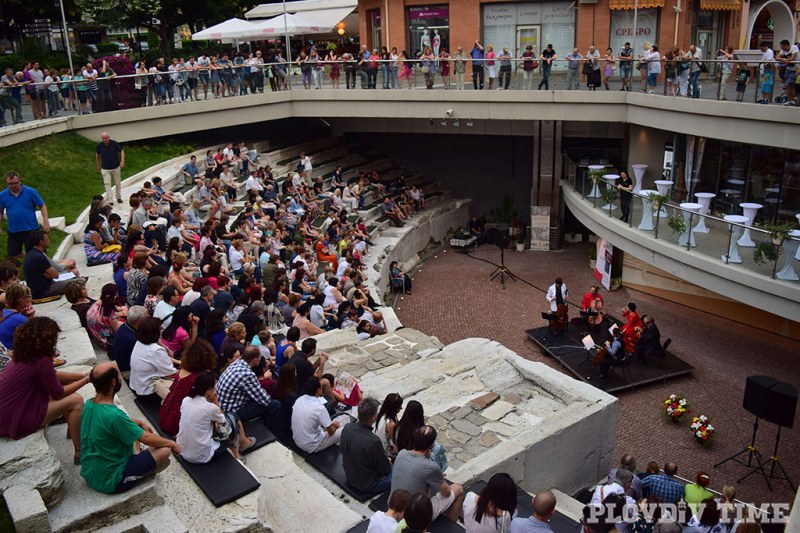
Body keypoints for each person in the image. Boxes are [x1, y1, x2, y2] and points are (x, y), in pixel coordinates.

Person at [80, 362, 180, 494]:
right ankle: (139, 467)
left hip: (91, 472)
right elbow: (146, 438)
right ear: (114, 382)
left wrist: (138, 422)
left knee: (135, 429)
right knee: (164, 450)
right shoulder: (115, 416)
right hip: (111, 479)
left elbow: (108, 423)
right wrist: (172, 443)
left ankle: (137, 455)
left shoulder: (89, 403)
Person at [0, 317, 89, 464]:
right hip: (16, 418)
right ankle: (80, 452)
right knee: (75, 400)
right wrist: (86, 380)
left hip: (7, 413)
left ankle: (74, 427)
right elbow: (58, 392)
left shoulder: (24, 355)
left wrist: (82, 375)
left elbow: (53, 376)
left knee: (69, 396)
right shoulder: (41, 360)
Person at [177, 371, 254, 463]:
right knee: (232, 422)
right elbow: (223, 420)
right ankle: (238, 457)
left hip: (183, 451)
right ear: (209, 389)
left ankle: (242, 444)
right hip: (201, 456)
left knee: (231, 417)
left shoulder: (186, 400)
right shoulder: (209, 407)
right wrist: (215, 400)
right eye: (214, 387)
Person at [391, 425, 464, 522]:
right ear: (432, 445)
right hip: (414, 516)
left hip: (394, 506)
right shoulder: (430, 467)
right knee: (458, 489)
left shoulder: (401, 454)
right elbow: (447, 493)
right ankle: (450, 527)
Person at [216, 346, 283, 437]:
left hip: (224, 406)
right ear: (255, 360)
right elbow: (265, 400)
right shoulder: (247, 374)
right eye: (259, 358)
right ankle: (273, 433)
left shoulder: (236, 364)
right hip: (234, 412)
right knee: (275, 404)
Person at [341, 396, 392, 493]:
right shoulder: (373, 441)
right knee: (398, 471)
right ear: (373, 418)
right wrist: (387, 461)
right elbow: (384, 469)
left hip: (350, 476)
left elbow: (343, 450)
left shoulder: (347, 428)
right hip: (367, 484)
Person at [0, 171, 51, 259]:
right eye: (10, 184)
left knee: (37, 254)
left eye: (15, 183)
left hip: (31, 229)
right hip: (14, 231)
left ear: (20, 181)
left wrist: (46, 222)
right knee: (12, 255)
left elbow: (42, 205)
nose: (13, 186)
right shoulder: (2, 195)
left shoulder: (31, 192)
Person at [23, 230, 85, 300]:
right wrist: (50, 274)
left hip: (38, 289)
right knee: (80, 281)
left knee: (73, 275)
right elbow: (56, 275)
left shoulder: (32, 254)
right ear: (41, 242)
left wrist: (49, 274)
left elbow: (52, 272)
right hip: (45, 290)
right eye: (47, 240)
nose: (49, 241)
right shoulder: (39, 256)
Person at [129, 317, 178, 403]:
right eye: (159, 329)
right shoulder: (156, 350)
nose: (161, 331)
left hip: (137, 386)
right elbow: (171, 373)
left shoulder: (140, 342)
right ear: (155, 332)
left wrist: (178, 362)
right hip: (148, 393)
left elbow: (158, 359)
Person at [291, 376, 342, 453]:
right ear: (318, 390)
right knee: (344, 430)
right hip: (312, 446)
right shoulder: (319, 408)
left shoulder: (299, 400)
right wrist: (335, 426)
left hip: (297, 440)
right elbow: (331, 432)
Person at [86, 283, 126, 350]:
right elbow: (117, 329)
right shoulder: (109, 313)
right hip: (107, 342)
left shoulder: (96, 304)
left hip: (97, 335)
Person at [0, 283, 35, 348]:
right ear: (21, 301)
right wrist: (31, 317)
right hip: (12, 353)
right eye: (28, 296)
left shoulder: (3, 311)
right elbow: (37, 338)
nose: (30, 299)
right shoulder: (21, 319)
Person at [96, 132, 125, 204]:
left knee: (117, 183)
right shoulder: (99, 146)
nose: (105, 140)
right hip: (105, 168)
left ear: (109, 137)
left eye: (106, 138)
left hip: (116, 167)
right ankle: (110, 200)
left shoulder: (114, 143)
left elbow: (121, 151)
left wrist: (122, 161)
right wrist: (98, 165)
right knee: (107, 184)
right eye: (103, 138)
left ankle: (118, 197)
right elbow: (97, 155)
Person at [775, 39, 798, 107]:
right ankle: (789, 100)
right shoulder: (783, 50)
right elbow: (777, 57)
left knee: (790, 83)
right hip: (788, 69)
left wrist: (786, 60)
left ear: (786, 45)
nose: (781, 48)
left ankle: (792, 100)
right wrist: (783, 59)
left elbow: (792, 58)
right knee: (788, 85)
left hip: (796, 69)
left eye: (782, 47)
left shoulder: (794, 47)